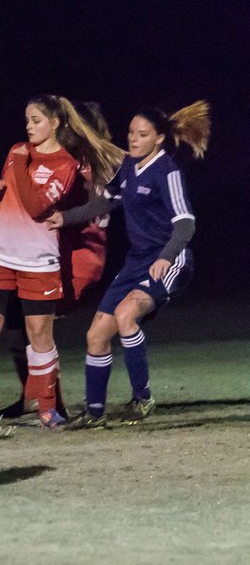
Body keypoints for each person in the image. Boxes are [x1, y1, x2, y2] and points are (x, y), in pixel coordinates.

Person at [0, 95, 121, 433]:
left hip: (38, 259)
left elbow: (33, 205)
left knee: (39, 333)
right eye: (27, 120)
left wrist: (16, 166)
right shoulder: (18, 150)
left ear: (56, 123)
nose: (28, 127)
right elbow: (13, 197)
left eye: (36, 120)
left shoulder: (65, 164)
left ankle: (49, 410)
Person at [47, 101, 210, 427]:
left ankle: (143, 399)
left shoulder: (168, 171)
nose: (133, 139)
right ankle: (94, 414)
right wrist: (64, 217)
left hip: (171, 258)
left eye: (142, 134)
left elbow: (186, 224)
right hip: (136, 262)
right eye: (131, 133)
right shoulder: (129, 169)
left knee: (126, 315)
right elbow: (105, 202)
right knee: (95, 335)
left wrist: (165, 257)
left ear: (159, 139)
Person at [0, 100, 113, 421]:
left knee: (34, 330)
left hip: (76, 261)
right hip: (59, 256)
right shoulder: (94, 161)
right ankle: (33, 397)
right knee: (19, 327)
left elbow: (46, 204)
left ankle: (53, 406)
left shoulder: (80, 166)